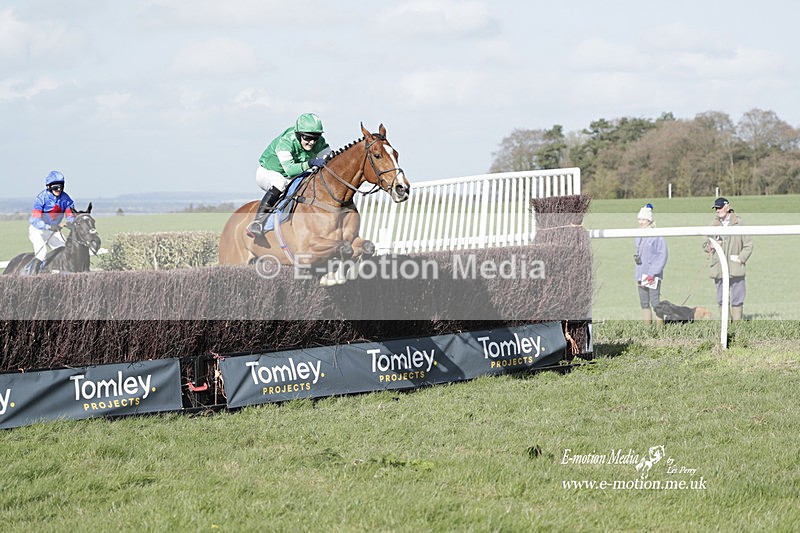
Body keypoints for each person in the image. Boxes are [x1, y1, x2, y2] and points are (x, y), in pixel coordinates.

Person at [247, 112, 332, 235]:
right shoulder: (286, 141)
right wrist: (311, 163)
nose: (312, 142)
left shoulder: (319, 142)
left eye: (315, 138)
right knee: (280, 183)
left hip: (293, 176)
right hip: (269, 172)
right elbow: (290, 171)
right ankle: (257, 222)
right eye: (307, 138)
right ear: (298, 134)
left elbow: (330, 158)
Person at [704, 197, 753, 321]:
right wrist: (712, 246)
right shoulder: (713, 225)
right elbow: (705, 245)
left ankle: (737, 325)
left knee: (738, 298)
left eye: (720, 207)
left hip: (736, 267)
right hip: (718, 268)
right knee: (721, 298)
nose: (717, 210)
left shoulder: (739, 223)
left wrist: (740, 259)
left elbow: (748, 245)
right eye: (716, 208)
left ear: (727, 207)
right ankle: (725, 324)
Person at [28, 170, 76, 268]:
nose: (58, 189)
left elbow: (70, 215)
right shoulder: (41, 198)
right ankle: (32, 273)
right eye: (55, 187)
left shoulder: (66, 199)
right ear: (48, 186)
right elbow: (35, 220)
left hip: (53, 231)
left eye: (61, 186)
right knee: (42, 253)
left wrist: (71, 223)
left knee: (65, 251)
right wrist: (48, 227)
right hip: (38, 231)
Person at [634, 204, 668, 324]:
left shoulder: (657, 235)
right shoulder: (638, 235)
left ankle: (660, 328)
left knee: (655, 303)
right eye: (639, 219)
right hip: (641, 275)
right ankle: (647, 328)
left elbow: (662, 256)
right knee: (644, 303)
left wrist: (652, 273)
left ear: (649, 220)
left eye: (643, 219)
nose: (640, 222)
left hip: (652, 276)